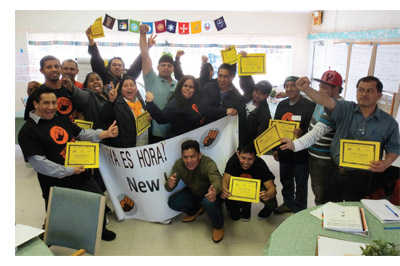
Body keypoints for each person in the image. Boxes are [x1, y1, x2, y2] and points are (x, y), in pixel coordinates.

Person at [18, 86, 119, 241]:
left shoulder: (60, 118)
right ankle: (51, 236)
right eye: (46, 103)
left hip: (79, 171)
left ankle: (101, 229)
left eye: (54, 102)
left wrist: (103, 133)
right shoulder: (28, 131)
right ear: (36, 104)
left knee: (98, 200)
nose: (51, 107)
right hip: (54, 180)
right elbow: (40, 164)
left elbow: (82, 134)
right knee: (56, 211)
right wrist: (68, 170)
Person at [295, 75, 400, 201]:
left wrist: (386, 163)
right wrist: (306, 89)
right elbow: (325, 100)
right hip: (333, 171)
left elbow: (394, 147)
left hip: (363, 177)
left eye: (370, 91)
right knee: (329, 208)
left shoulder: (389, 123)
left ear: (379, 95)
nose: (364, 94)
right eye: (360, 90)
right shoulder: (345, 109)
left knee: (355, 211)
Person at [280, 70, 343, 205]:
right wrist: (288, 93)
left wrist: (295, 144)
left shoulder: (337, 108)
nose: (320, 91)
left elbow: (317, 132)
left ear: (336, 89)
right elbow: (303, 96)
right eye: (320, 86)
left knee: (323, 196)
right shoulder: (321, 101)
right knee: (317, 190)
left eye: (324, 88)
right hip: (314, 155)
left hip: (325, 161)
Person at [164, 140, 224, 243]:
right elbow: (169, 187)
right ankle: (197, 210)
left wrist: (214, 190)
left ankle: (218, 226)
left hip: (212, 194)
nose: (189, 160)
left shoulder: (208, 163)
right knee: (173, 202)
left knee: (208, 201)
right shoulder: (179, 164)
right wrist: (169, 184)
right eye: (185, 157)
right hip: (195, 193)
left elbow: (217, 179)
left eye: (192, 156)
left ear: (199, 155)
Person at [273, 76, 315, 214]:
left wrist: (303, 132)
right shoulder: (282, 105)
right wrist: (275, 149)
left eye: (293, 85)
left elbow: (315, 129)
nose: (290, 89)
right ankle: (288, 203)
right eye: (286, 86)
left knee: (301, 183)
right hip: (284, 150)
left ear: (299, 87)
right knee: (286, 179)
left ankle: (300, 210)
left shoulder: (309, 105)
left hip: (301, 151)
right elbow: (275, 128)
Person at [140, 24, 178, 143]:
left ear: (173, 69)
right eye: (163, 65)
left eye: (169, 66)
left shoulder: (178, 85)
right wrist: (142, 35)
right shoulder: (151, 78)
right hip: (155, 133)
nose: (166, 68)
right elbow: (145, 56)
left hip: (175, 132)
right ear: (157, 67)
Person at [221, 143, 278, 221]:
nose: (246, 162)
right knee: (233, 211)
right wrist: (224, 188)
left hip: (257, 186)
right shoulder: (233, 161)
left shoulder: (260, 164)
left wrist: (268, 194)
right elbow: (226, 179)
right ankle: (243, 208)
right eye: (243, 158)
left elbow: (272, 189)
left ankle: (268, 209)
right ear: (238, 154)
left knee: (271, 201)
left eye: (250, 159)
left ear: (255, 157)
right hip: (239, 186)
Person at [198, 63, 247, 146]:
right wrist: (225, 112)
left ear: (232, 77)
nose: (222, 79)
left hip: (225, 136)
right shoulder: (209, 87)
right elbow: (202, 108)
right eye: (220, 76)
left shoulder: (237, 97)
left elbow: (241, 122)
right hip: (205, 132)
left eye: (226, 76)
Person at [86, 26, 152, 87]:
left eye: (120, 65)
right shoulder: (103, 76)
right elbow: (96, 59)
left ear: (123, 68)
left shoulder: (127, 77)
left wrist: (147, 47)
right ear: (109, 67)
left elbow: (137, 64)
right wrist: (91, 41)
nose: (117, 67)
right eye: (114, 65)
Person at [24, 55, 80, 122]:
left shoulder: (70, 90)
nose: (54, 70)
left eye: (56, 66)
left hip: (72, 130)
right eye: (49, 67)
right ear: (42, 71)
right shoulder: (36, 94)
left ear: (61, 69)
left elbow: (80, 113)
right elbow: (30, 121)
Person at [99, 76, 148, 148]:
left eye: (132, 85)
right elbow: (104, 117)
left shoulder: (140, 101)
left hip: (144, 144)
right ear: (121, 90)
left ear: (136, 88)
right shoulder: (116, 103)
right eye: (125, 86)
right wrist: (111, 101)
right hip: (126, 147)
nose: (129, 88)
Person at [243, 79, 273, 144]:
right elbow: (244, 79)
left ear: (267, 96)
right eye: (256, 91)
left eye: (262, 93)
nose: (257, 95)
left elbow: (259, 139)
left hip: (245, 145)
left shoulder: (265, 115)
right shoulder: (244, 99)